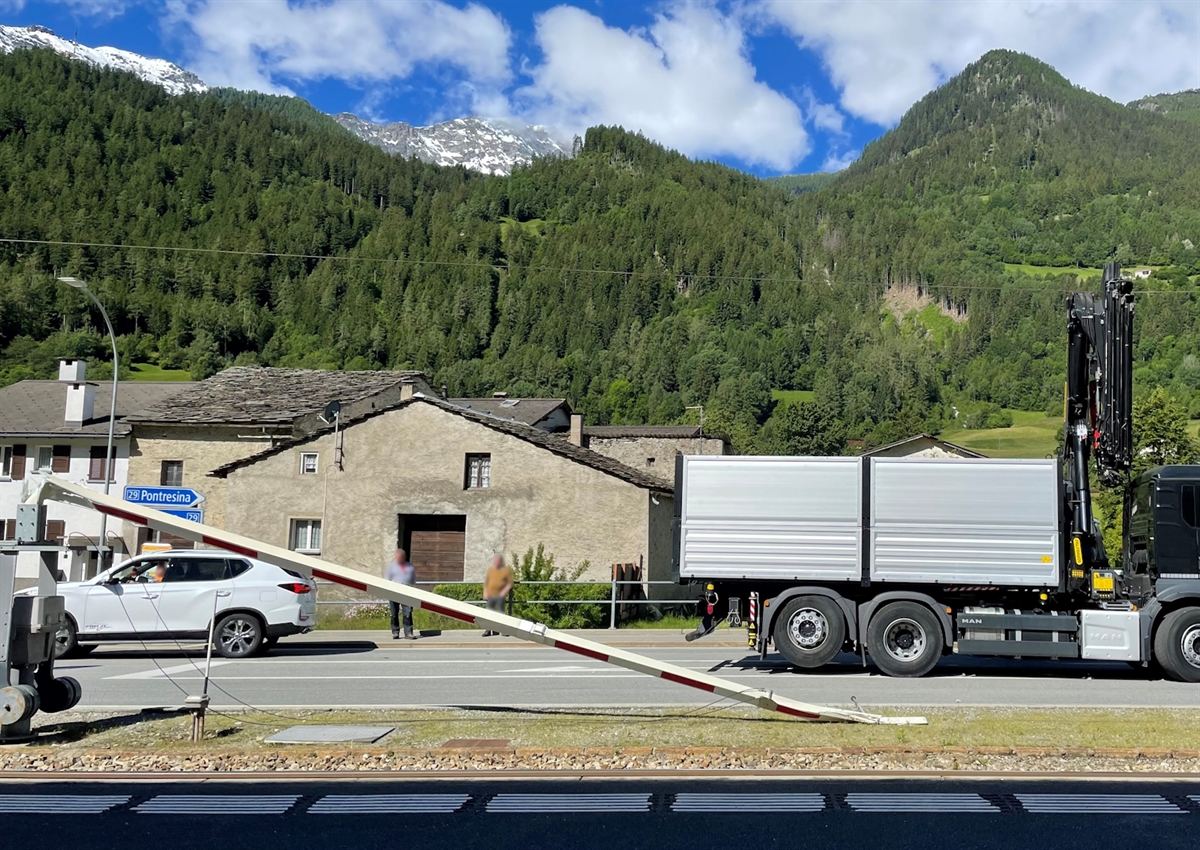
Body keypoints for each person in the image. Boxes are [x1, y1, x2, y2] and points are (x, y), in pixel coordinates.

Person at [385, 549, 417, 639]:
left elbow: (413, 579)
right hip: (394, 592)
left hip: (406, 592)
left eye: (401, 557)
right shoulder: (391, 567)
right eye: (397, 557)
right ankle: (395, 632)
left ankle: (408, 633)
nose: (399, 559)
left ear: (404, 557)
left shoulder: (410, 566)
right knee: (394, 614)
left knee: (407, 613)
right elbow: (387, 580)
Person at [481, 554, 513, 637]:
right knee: (489, 613)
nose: (495, 563)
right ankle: (488, 630)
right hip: (491, 594)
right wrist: (485, 592)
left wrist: (503, 592)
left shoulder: (505, 571)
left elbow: (509, 583)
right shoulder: (490, 570)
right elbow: (486, 582)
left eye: (497, 561)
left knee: (500, 613)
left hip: (500, 595)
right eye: (495, 561)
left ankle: (502, 630)